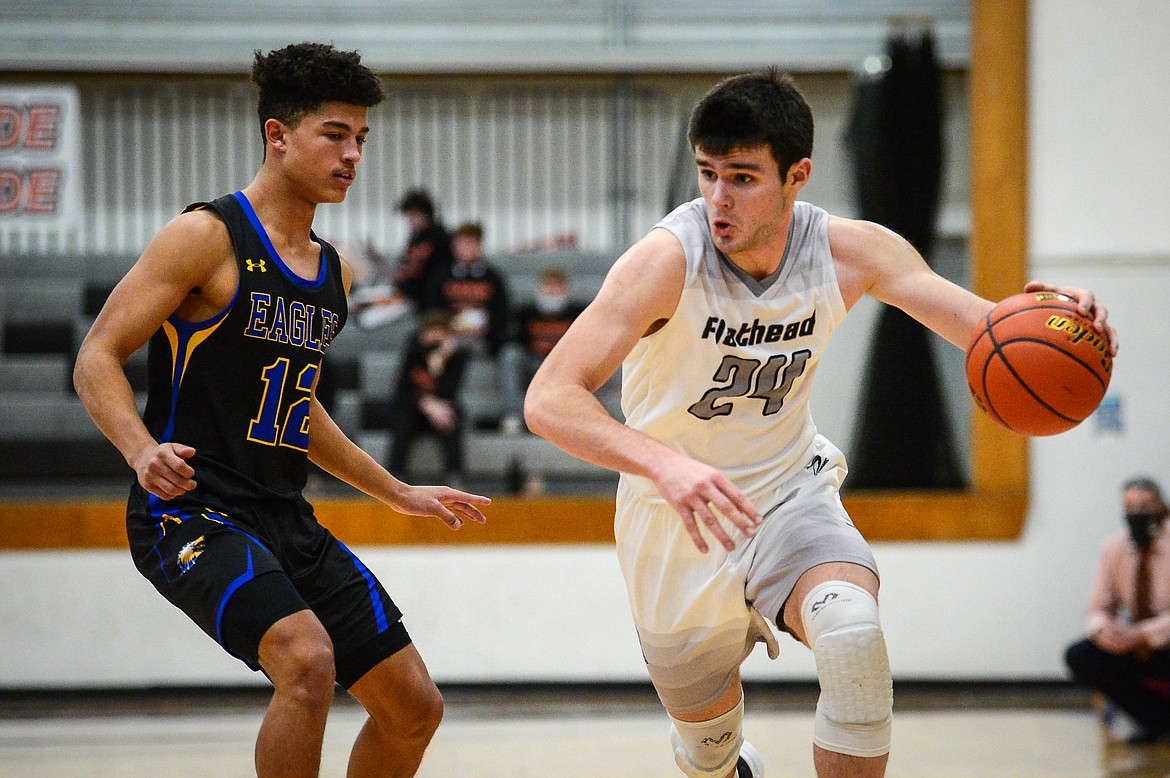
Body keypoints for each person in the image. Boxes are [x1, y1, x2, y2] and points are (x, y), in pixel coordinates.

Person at [524, 68, 1118, 778]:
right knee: (708, 754)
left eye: (743, 178)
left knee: (852, 641)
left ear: (797, 174)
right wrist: (665, 463)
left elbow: (985, 330)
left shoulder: (853, 252)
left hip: (787, 494)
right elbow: (550, 398)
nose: (719, 198)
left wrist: (1058, 319)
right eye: (708, 174)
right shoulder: (664, 262)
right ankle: (719, 759)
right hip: (674, 520)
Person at [73, 42, 490, 778]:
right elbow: (96, 356)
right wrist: (141, 451)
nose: (353, 153)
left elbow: (300, 410)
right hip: (192, 509)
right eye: (335, 133)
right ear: (278, 135)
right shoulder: (205, 236)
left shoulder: (335, 271)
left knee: (414, 706)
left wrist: (395, 490)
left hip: (283, 514)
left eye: (361, 137)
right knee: (306, 660)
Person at [1066, 477, 1170, 745]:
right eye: (1130, 506)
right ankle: (1156, 719)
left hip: (1162, 639)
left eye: (1145, 505)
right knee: (1080, 656)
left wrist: (1142, 634)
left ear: (1161, 506)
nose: (1137, 513)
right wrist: (1103, 631)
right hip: (1134, 641)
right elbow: (1098, 607)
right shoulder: (1113, 548)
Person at [383, 308, 470, 486]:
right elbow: (402, 391)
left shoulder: (458, 356)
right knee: (402, 417)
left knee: (452, 416)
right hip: (414, 408)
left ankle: (454, 475)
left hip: (440, 410)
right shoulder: (413, 351)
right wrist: (425, 403)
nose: (433, 337)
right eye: (430, 332)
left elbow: (450, 391)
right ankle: (395, 474)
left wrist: (441, 358)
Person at [500, 266, 584, 435]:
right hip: (533, 363)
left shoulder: (577, 313)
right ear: (540, 289)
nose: (552, 292)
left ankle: (570, 417)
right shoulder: (526, 313)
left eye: (557, 287)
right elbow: (515, 340)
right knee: (510, 355)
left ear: (565, 290)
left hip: (562, 367)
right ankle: (513, 415)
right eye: (548, 287)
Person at [428, 221, 511, 358]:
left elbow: (502, 312)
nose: (467, 248)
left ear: (479, 245)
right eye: (463, 243)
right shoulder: (441, 276)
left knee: (508, 349)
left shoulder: (493, 278)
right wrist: (448, 327)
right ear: (454, 246)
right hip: (448, 333)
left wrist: (486, 329)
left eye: (471, 243)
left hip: (484, 338)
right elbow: (432, 307)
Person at [394, 188, 454, 308]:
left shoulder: (440, 238)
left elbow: (438, 274)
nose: (409, 220)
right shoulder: (415, 238)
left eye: (412, 215)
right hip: (410, 295)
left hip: (428, 299)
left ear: (425, 214)